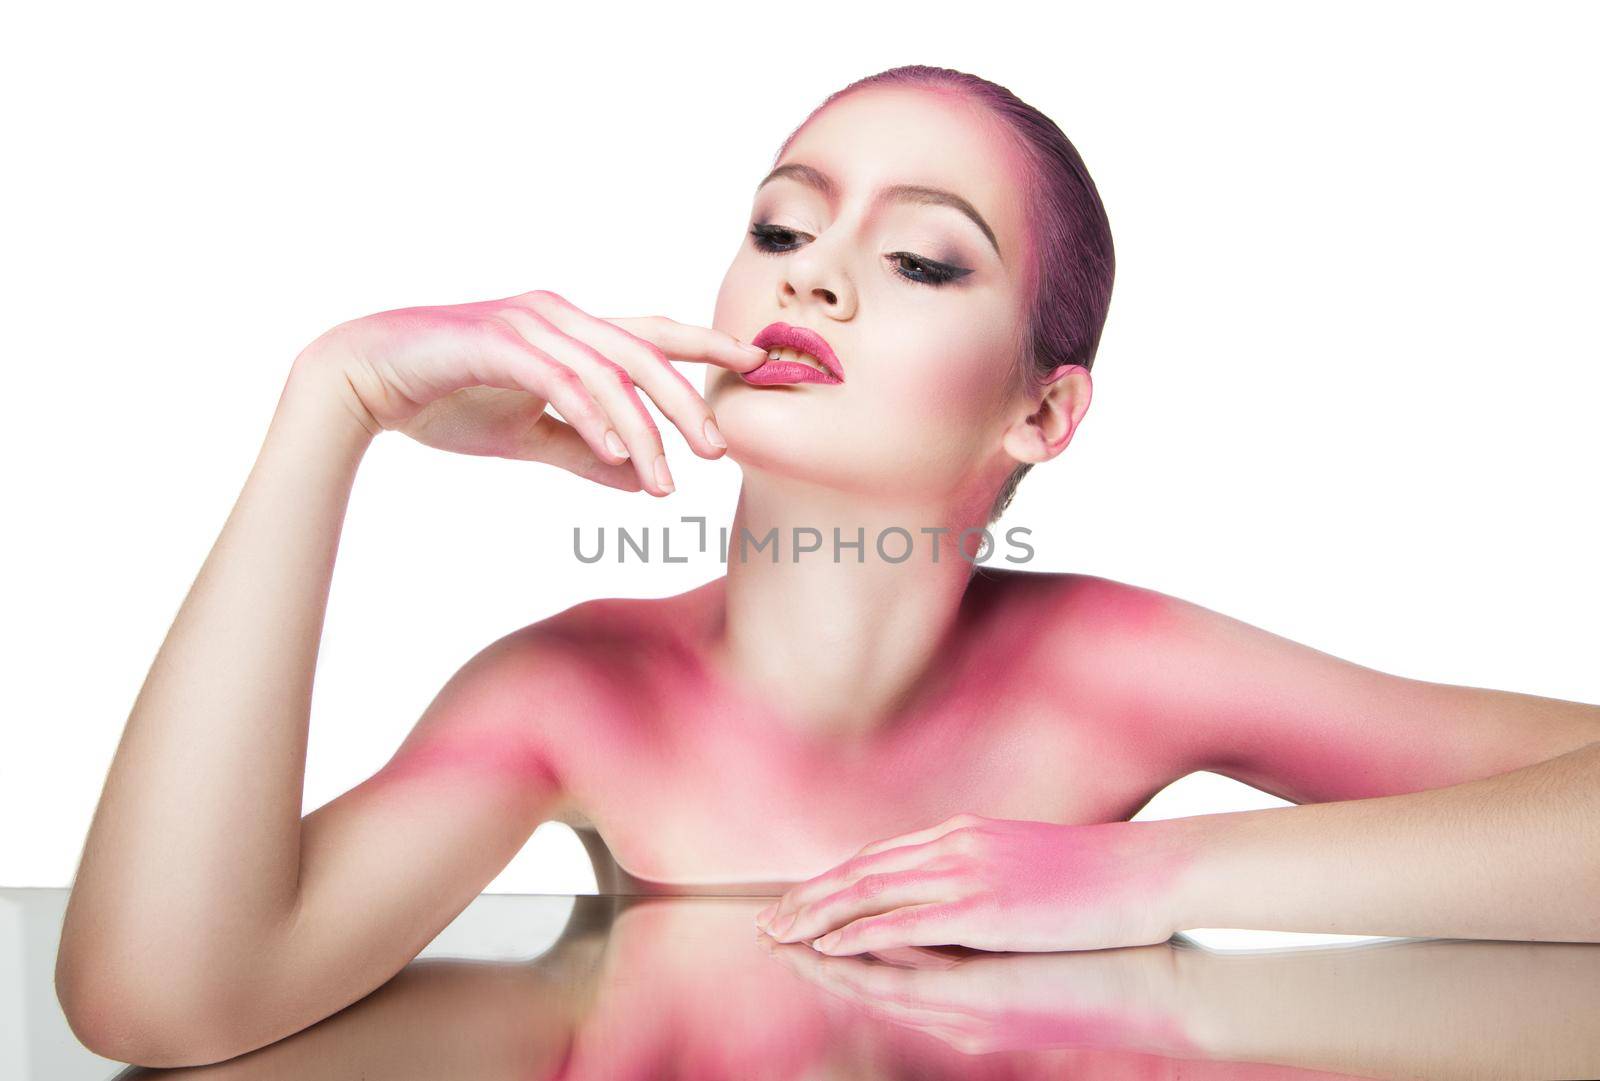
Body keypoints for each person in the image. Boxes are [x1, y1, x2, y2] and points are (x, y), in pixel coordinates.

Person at [56, 64, 1600, 1069]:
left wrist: (1141, 874)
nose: (816, 273)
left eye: (923, 257)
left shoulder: (1117, 667)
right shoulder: (575, 694)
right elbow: (157, 999)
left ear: (1044, 411)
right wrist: (332, 407)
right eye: (782, 224)